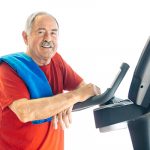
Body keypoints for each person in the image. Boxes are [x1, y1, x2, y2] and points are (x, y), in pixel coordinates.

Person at [0, 11, 101, 150]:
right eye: (41, 32)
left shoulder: (56, 61)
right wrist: (73, 97)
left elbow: (85, 88)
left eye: (53, 33)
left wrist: (69, 101)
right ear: (25, 37)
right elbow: (25, 112)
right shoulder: (8, 68)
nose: (48, 38)